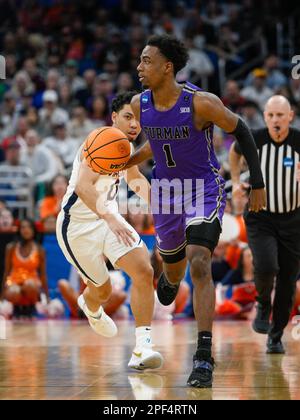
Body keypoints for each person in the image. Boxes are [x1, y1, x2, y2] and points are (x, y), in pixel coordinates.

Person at [127, 34, 266, 388]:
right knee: (173, 269)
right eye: (140, 61)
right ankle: (170, 278)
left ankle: (203, 355)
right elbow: (155, 146)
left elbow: (243, 129)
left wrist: (259, 184)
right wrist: (125, 160)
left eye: (146, 61)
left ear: (167, 67)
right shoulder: (140, 104)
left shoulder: (200, 103)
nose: (140, 67)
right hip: (167, 195)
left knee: (200, 259)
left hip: (203, 189)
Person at [56, 91, 163, 370]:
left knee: (143, 270)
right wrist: (110, 217)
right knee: (101, 291)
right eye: (128, 117)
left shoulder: (127, 148)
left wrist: (161, 208)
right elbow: (83, 186)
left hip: (107, 219)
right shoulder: (99, 139)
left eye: (138, 119)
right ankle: (89, 305)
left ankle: (142, 347)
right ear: (114, 117)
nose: (134, 124)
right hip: (76, 227)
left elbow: (135, 179)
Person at [229, 95, 300, 355]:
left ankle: (276, 334)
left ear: (290, 116)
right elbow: (234, 153)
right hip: (260, 216)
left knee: (287, 282)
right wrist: (236, 181)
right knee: (267, 264)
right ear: (265, 116)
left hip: (293, 220)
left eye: (280, 115)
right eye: (270, 115)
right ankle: (261, 302)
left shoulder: (298, 141)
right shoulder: (254, 137)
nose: (275, 120)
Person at [2, 219, 49, 317]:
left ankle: (31, 308)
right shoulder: (11, 247)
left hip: (32, 284)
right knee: (14, 291)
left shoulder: (40, 250)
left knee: (30, 285)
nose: (26, 230)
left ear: (33, 230)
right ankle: (16, 310)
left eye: (29, 227)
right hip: (13, 282)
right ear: (19, 230)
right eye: (23, 227)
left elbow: (43, 275)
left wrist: (47, 297)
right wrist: (1, 297)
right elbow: (6, 272)